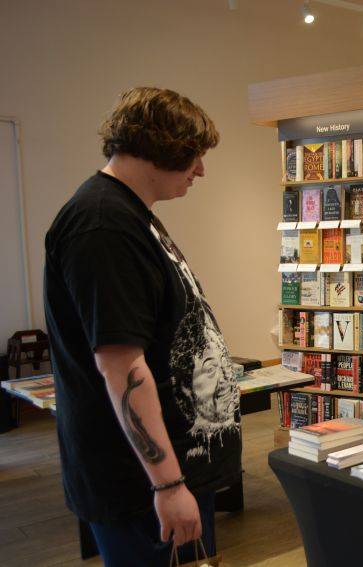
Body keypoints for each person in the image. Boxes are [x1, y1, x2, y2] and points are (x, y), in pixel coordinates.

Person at [43, 87, 241, 566]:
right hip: (141, 487)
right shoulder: (102, 225)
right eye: (194, 155)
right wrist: (169, 485)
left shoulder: (128, 215)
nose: (200, 170)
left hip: (167, 475)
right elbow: (121, 367)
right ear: (162, 147)